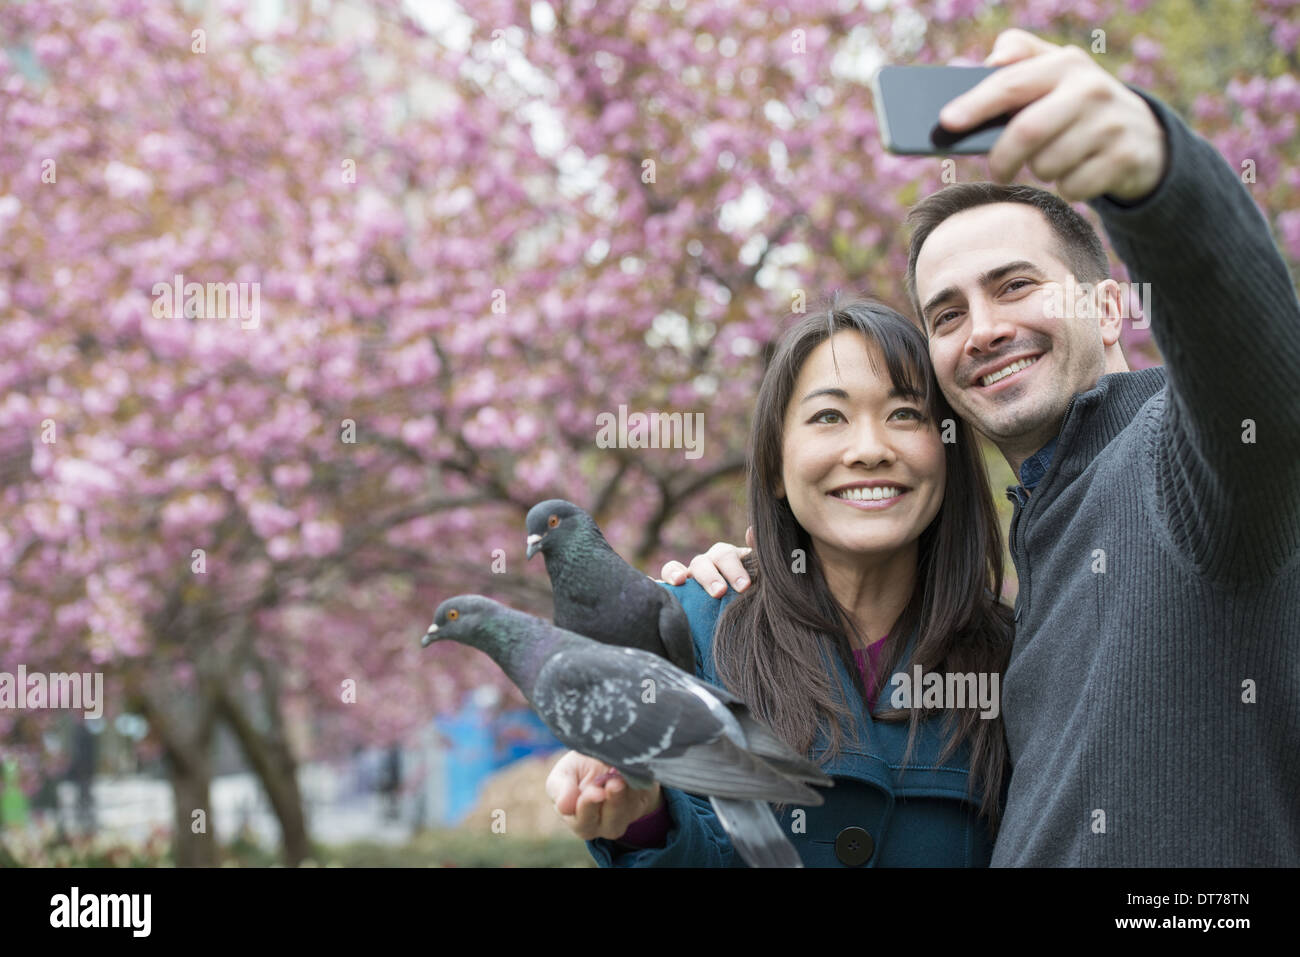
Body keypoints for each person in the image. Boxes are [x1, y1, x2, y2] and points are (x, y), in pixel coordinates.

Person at [667, 30, 1300, 865]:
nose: (987, 330)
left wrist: (1152, 175)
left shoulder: (1178, 462)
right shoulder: (1036, 546)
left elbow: (1257, 374)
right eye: (948, 313)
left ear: (1110, 307)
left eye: (1015, 285)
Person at [546, 299, 1014, 866]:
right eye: (828, 417)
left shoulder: (1014, 658)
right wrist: (643, 818)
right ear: (774, 466)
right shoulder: (689, 628)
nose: (869, 450)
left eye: (905, 414)